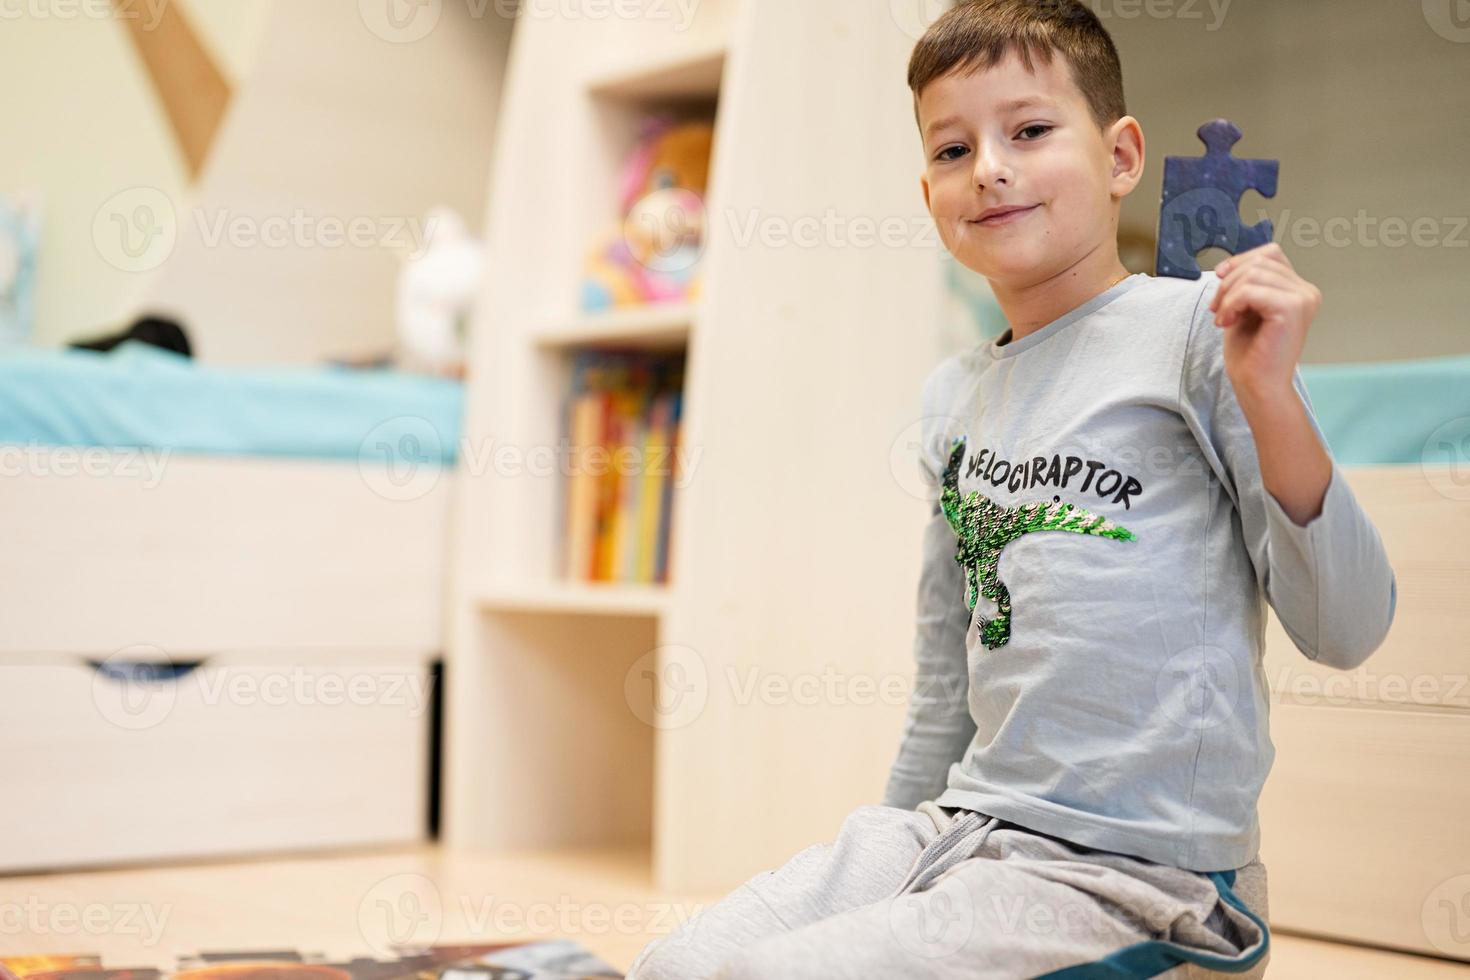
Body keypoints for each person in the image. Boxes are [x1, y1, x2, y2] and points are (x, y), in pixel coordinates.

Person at [628, 1, 1396, 976]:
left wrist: (1273, 394)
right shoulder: (954, 395)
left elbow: (1350, 625)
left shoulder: (1204, 334)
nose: (988, 166)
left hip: (1139, 874)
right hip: (959, 829)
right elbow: (947, 664)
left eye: (1029, 130)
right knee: (680, 963)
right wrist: (893, 861)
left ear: (1121, 156)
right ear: (929, 192)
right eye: (953, 149)